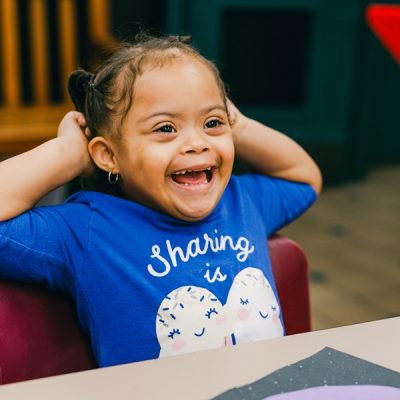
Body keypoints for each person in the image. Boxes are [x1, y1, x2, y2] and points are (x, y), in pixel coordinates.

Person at [0, 35, 322, 367]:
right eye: (166, 128)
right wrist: (67, 153)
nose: (196, 142)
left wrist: (239, 126)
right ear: (108, 155)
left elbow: (303, 177)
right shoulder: (87, 230)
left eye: (212, 123)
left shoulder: (243, 201)